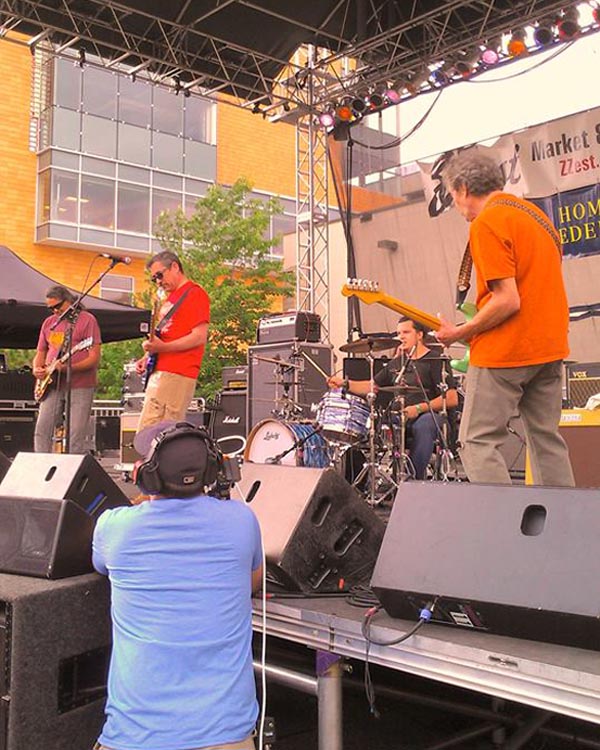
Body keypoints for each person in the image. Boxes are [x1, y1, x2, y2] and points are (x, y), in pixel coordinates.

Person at [92, 420, 263, 750]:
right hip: (226, 735)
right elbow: (250, 580)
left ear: (147, 473)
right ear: (211, 469)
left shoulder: (115, 527)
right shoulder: (242, 520)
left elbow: (100, 564)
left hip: (135, 737)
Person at [436, 149, 575, 486]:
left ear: (464, 189)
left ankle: (503, 529)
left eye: (453, 196)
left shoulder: (487, 222)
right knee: (546, 442)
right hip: (550, 348)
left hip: (507, 352)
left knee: (476, 442)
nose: (456, 205)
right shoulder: (538, 217)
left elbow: (507, 300)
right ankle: (566, 529)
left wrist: (460, 332)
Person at [328, 317, 458, 480]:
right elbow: (372, 386)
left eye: (406, 332)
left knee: (425, 424)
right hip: (400, 418)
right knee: (365, 426)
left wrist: (418, 409)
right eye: (398, 333)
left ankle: (414, 480)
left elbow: (452, 398)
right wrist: (344, 384)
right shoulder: (397, 364)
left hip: (431, 418)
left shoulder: (436, 360)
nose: (401, 337)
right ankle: (369, 484)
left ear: (419, 334)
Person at [135, 251, 210, 433]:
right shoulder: (170, 299)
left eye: (159, 275)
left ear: (175, 267)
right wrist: (147, 356)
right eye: (154, 279)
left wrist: (163, 347)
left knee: (160, 431)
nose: (158, 282)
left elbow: (200, 336)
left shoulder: (194, 293)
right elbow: (166, 334)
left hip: (178, 371)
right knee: (149, 430)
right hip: (161, 370)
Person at [32, 285, 101, 453]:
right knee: (42, 430)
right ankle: (41, 468)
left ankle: (72, 473)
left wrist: (67, 367)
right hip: (51, 384)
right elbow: (41, 352)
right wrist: (37, 369)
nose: (55, 311)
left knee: (75, 434)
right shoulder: (49, 323)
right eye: (51, 308)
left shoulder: (87, 320)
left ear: (70, 301)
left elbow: (94, 358)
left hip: (80, 384)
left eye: (58, 306)